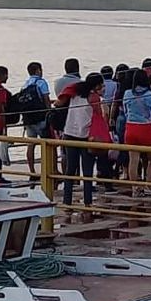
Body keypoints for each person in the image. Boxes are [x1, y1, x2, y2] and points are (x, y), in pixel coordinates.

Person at [56, 73, 106, 222]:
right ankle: (88, 202)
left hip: (70, 133)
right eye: (101, 85)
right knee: (88, 171)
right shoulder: (94, 98)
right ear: (96, 86)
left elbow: (59, 101)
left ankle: (67, 202)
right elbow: (99, 117)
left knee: (70, 170)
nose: (103, 88)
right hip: (85, 137)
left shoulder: (75, 93)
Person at [121, 68, 151, 198]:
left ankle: (135, 188)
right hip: (145, 127)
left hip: (130, 127)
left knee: (133, 159)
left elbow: (126, 111)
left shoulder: (127, 93)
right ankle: (148, 186)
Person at [20, 61, 52, 175]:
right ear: (38, 70)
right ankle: (48, 170)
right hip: (40, 117)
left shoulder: (25, 84)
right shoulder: (41, 82)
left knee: (31, 145)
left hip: (28, 119)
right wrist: (50, 112)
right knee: (47, 144)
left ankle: (32, 171)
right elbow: (46, 99)